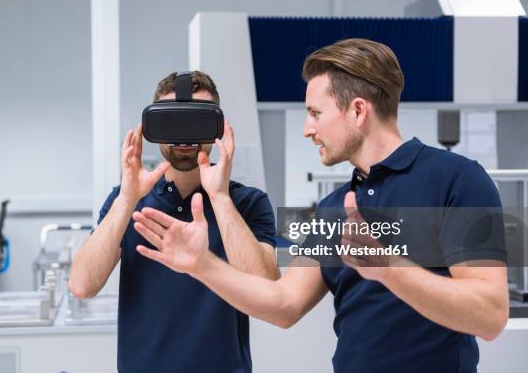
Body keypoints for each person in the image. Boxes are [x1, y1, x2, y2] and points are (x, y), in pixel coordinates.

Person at [132, 39, 509, 373]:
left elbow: (491, 314)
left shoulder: (459, 180)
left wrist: (391, 269)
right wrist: (203, 266)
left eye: (315, 113)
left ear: (358, 111)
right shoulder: (335, 208)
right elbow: (284, 303)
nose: (307, 129)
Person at [68, 70, 279, 373]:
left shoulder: (247, 202)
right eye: (173, 122)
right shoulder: (125, 200)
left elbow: (268, 292)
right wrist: (127, 199)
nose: (185, 138)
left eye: (196, 122)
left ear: (217, 128)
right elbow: (82, 286)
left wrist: (219, 197)